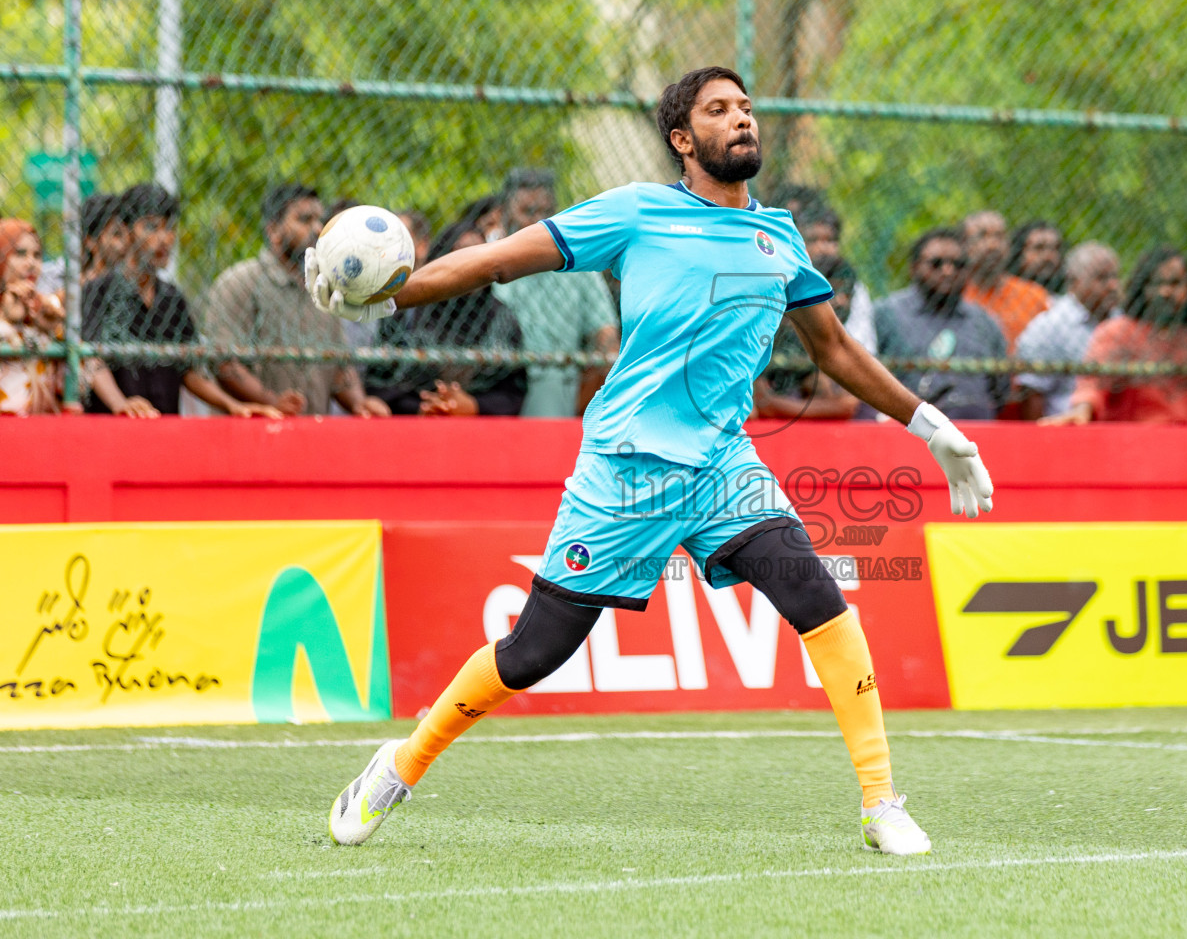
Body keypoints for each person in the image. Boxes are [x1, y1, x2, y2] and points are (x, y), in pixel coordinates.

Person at [309, 65, 994, 856]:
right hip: (626, 467)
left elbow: (833, 348)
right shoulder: (635, 212)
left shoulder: (779, 237)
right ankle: (398, 767)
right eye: (718, 110)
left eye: (746, 107)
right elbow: (497, 260)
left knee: (820, 600)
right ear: (682, 139)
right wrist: (391, 295)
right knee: (533, 653)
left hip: (723, 467)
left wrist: (929, 425)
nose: (741, 119)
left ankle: (880, 802)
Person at [81, 185, 280, 419]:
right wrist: (121, 404)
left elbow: (188, 370)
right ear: (126, 231)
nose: (164, 239)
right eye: (151, 227)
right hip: (113, 427)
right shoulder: (98, 291)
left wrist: (232, 405)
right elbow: (91, 359)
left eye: (170, 228)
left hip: (165, 426)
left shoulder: (171, 298)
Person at [204, 183, 388, 417]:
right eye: (304, 220)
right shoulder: (239, 282)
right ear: (273, 230)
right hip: (252, 429)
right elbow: (223, 363)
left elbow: (339, 367)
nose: (317, 229)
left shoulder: (323, 287)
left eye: (320, 220)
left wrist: (360, 403)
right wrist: (272, 403)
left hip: (310, 431)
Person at [1044, 245, 1187, 453]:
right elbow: (1093, 384)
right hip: (1129, 445)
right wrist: (1082, 410)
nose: (1165, 292)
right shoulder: (1116, 332)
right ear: (1142, 288)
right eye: (1157, 283)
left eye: (1175, 283)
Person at [489, 167, 619, 417]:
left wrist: (586, 395)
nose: (538, 221)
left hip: (559, 388)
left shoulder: (577, 266)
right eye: (528, 211)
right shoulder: (489, 261)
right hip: (499, 385)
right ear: (504, 213)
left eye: (546, 212)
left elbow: (606, 335)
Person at [367, 220, 527, 416]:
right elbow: (378, 383)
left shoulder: (501, 319)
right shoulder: (408, 312)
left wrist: (473, 406)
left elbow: (514, 391)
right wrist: (425, 407)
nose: (474, 266)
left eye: (481, 256)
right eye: (463, 254)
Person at [875, 227, 1009, 420]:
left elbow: (1000, 389)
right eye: (936, 264)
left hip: (974, 429)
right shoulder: (887, 315)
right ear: (914, 268)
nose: (948, 271)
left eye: (958, 265)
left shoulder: (984, 322)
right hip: (907, 427)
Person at [1012, 241, 1122, 420]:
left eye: (1115, 277)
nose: (1113, 286)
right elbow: (1032, 394)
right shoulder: (1049, 326)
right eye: (1101, 278)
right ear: (1074, 281)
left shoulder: (1123, 322)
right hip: (1065, 427)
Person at [755, 254, 862, 420]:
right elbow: (757, 402)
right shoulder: (771, 325)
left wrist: (774, 405)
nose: (841, 301)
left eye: (847, 293)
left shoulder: (832, 334)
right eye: (834, 291)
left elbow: (845, 404)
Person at [961, 210, 1050, 349]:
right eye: (981, 236)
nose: (992, 245)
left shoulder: (1034, 295)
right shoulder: (955, 295)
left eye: (999, 236)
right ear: (964, 244)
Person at [0, 220, 59, 415]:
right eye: (20, 253)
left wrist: (55, 328)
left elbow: (82, 383)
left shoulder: (44, 308)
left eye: (37, 255)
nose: (31, 263)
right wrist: (6, 320)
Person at [799, 205, 876, 353]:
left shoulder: (854, 287)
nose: (822, 248)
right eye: (813, 240)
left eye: (830, 240)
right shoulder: (783, 281)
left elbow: (864, 344)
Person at [81, 192, 132, 285]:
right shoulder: (74, 285)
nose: (127, 241)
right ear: (90, 242)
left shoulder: (131, 282)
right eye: (117, 234)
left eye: (129, 233)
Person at [1010, 219, 1066, 295]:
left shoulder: (1064, 298)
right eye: (1039, 248)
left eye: (1055, 248)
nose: (1048, 256)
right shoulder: (1003, 293)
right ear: (1019, 252)